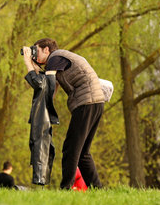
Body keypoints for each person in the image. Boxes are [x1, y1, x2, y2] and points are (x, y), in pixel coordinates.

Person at [22, 38, 104, 189]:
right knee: (83, 153)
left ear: (47, 50)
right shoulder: (58, 62)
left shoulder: (56, 57)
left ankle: (65, 188)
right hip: (96, 102)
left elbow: (44, 86)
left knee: (70, 149)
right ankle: (97, 189)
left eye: (36, 51)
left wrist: (28, 63)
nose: (35, 55)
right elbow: (48, 91)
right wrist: (35, 67)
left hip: (86, 102)